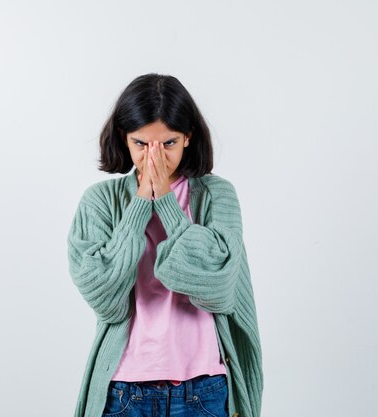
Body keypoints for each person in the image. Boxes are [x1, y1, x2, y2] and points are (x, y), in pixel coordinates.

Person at [67, 73, 263, 417]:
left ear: (188, 137)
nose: (154, 157)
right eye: (142, 144)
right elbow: (103, 296)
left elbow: (218, 286)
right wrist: (142, 202)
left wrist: (169, 206)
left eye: (168, 143)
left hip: (203, 389)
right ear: (123, 140)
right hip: (124, 389)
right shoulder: (100, 201)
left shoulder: (217, 195)